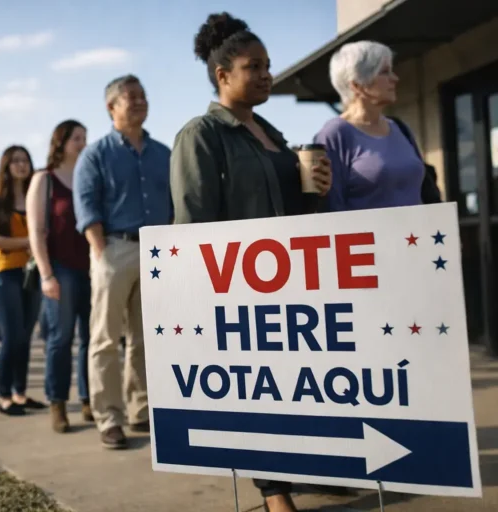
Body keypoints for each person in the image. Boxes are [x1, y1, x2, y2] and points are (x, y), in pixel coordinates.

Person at [170, 13, 333, 512]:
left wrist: (317, 190)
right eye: (253, 66)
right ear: (223, 75)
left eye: (268, 65)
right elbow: (193, 225)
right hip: (238, 290)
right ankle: (276, 497)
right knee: (257, 395)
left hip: (291, 285)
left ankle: (296, 477)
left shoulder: (273, 133)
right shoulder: (201, 134)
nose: (266, 74)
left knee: (291, 389)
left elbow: (296, 210)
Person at [72, 74, 172, 449]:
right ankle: (108, 418)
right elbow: (87, 206)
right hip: (114, 250)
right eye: (131, 97)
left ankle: (141, 410)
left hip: (157, 253)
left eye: (143, 95)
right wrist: (101, 251)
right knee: (105, 339)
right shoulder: (95, 154)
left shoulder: (163, 153)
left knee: (146, 339)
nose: (140, 101)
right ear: (111, 107)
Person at [27, 119, 93, 433]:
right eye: (76, 138)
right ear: (61, 142)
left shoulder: (89, 176)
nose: (82, 143)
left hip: (91, 267)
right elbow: (36, 232)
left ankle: (89, 398)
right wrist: (46, 275)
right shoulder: (44, 180)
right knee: (61, 339)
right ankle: (58, 403)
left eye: (85, 137)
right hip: (59, 269)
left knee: (92, 339)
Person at [314, 41, 432, 211]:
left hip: (414, 236)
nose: (395, 78)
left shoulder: (401, 129)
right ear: (357, 84)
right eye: (385, 72)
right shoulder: (335, 134)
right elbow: (332, 209)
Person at [0, 145, 45, 416]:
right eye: (15, 161)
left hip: (32, 271)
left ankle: (20, 393)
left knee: (26, 335)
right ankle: (4, 395)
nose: (21, 165)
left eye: (25, 160)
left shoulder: (37, 194)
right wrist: (27, 242)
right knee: (12, 335)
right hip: (3, 271)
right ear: (6, 166)